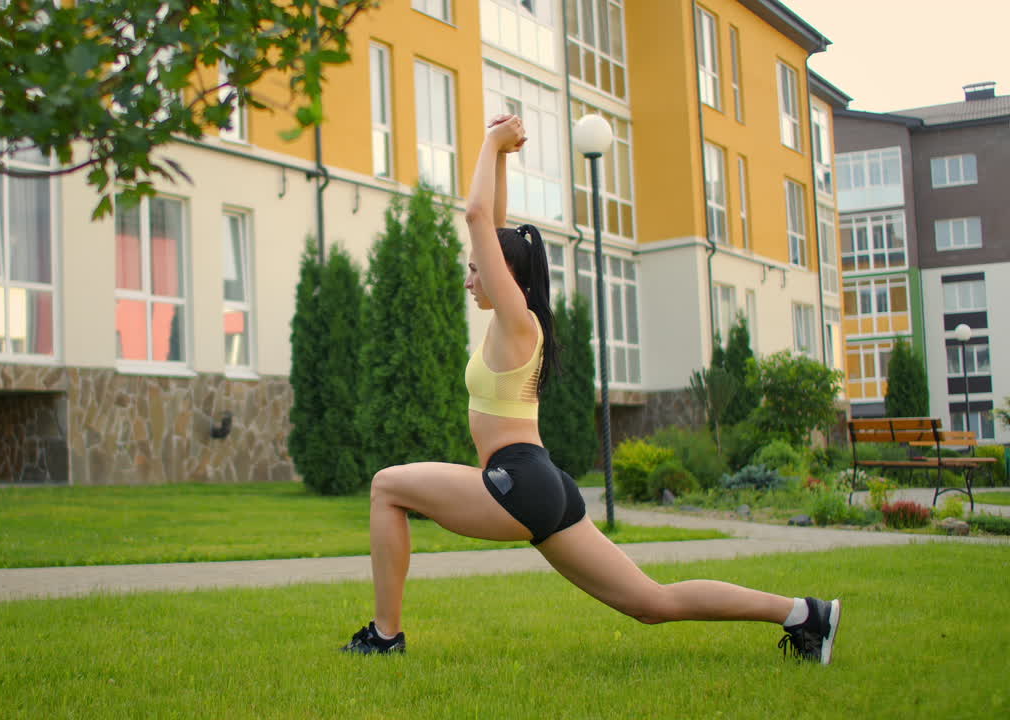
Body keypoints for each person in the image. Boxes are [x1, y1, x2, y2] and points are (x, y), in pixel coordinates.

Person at [341, 114, 840, 664]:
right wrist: (504, 157)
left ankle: (385, 637)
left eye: (476, 269)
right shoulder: (512, 320)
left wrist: (488, 141)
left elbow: (479, 216)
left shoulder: (517, 321)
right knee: (651, 602)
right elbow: (496, 226)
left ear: (505, 275)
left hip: (517, 482)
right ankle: (805, 615)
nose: (469, 277)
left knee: (387, 486)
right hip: (541, 482)